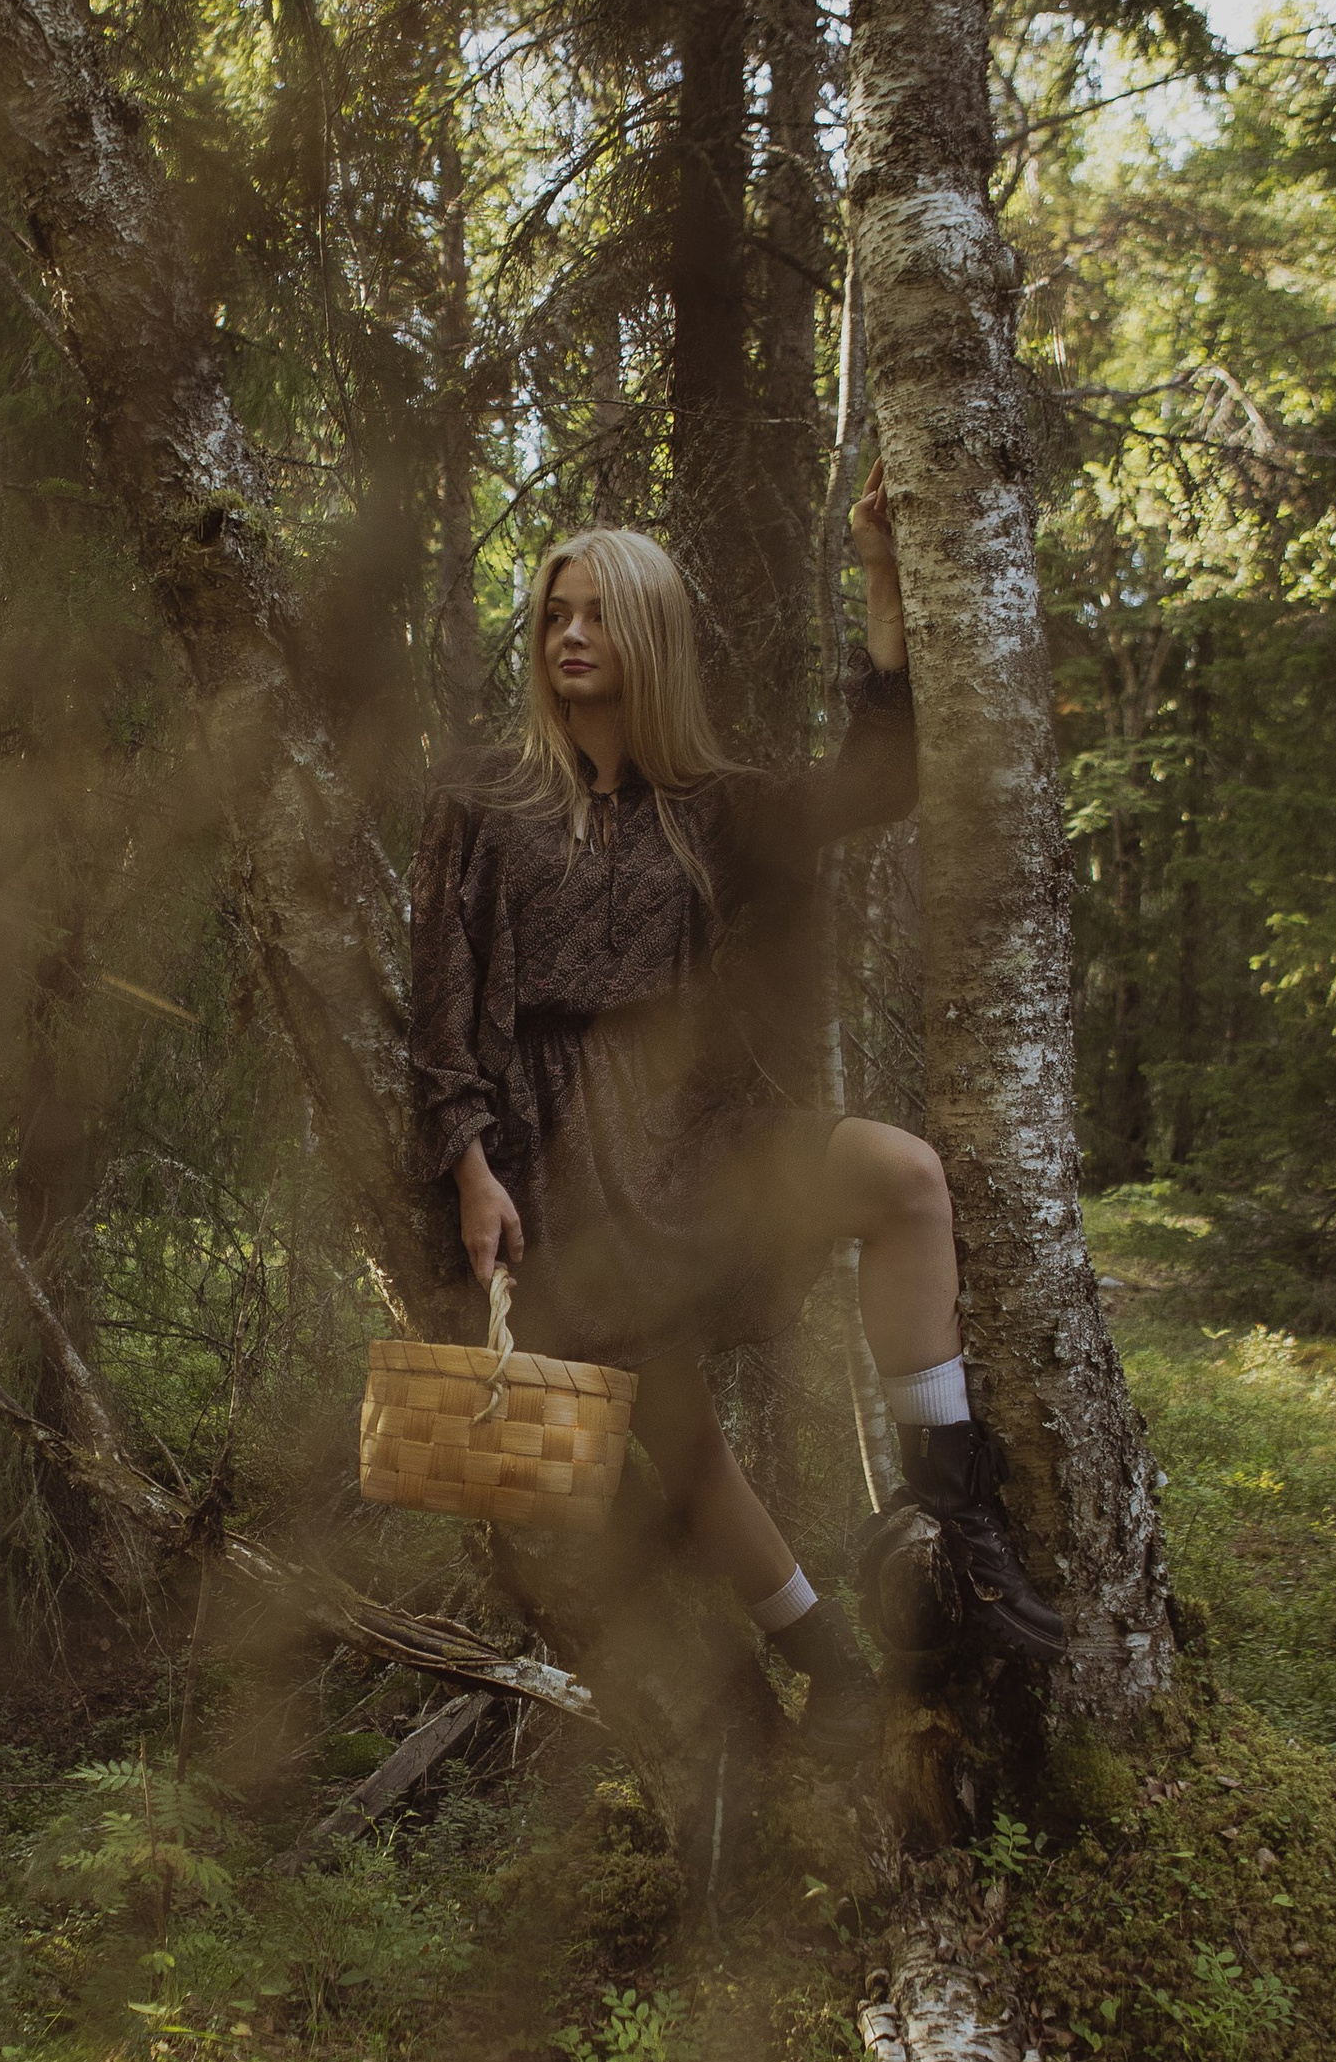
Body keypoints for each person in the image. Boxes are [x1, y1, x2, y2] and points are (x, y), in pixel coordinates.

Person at [408, 473, 1065, 1752]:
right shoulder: (481, 799)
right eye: (554, 613)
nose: (570, 635)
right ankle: (830, 1666)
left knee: (905, 1178)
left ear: (649, 636)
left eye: (599, 613)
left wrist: (880, 578)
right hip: (561, 1168)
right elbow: (438, 1000)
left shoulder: (713, 805)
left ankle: (951, 1515)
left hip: (701, 1136)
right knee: (682, 1442)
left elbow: (874, 785)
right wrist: (467, 1164)